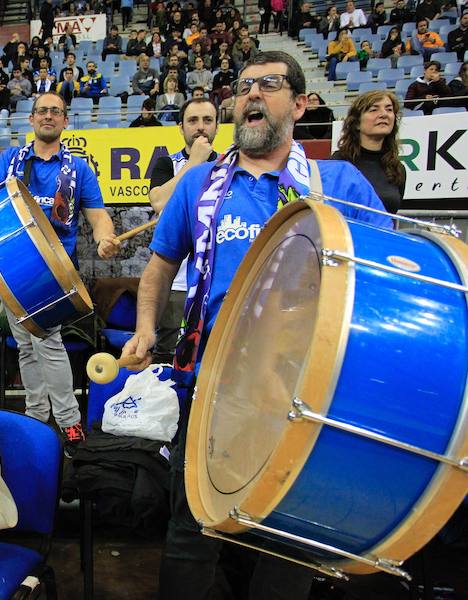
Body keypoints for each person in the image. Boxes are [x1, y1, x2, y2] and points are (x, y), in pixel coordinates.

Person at [121, 50, 391, 600]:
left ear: (300, 102)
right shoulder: (200, 183)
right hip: (214, 381)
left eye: (268, 84)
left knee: (287, 533)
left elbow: (382, 276)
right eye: (243, 85)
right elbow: (158, 268)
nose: (251, 94)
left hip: (305, 383)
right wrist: (147, 328)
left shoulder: (338, 181)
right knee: (193, 525)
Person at [0, 92, 119, 455]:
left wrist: (105, 238)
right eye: (42, 111)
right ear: (32, 119)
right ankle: (38, 416)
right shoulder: (9, 159)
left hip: (53, 272)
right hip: (11, 268)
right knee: (26, 345)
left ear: (66, 121)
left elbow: (96, 214)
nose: (48, 116)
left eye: (56, 111)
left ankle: (67, 422)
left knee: (47, 343)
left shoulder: (78, 169)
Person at [147, 98, 219, 362]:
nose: (200, 127)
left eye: (207, 120)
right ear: (181, 127)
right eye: (193, 120)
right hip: (175, 283)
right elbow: (159, 202)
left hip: (215, 284)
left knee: (212, 360)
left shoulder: (228, 165)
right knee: (167, 361)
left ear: (217, 126)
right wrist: (195, 162)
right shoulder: (167, 164)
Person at [332, 90, 406, 214]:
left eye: (389, 109)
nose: (384, 114)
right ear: (356, 123)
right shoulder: (336, 164)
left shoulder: (397, 169)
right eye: (374, 109)